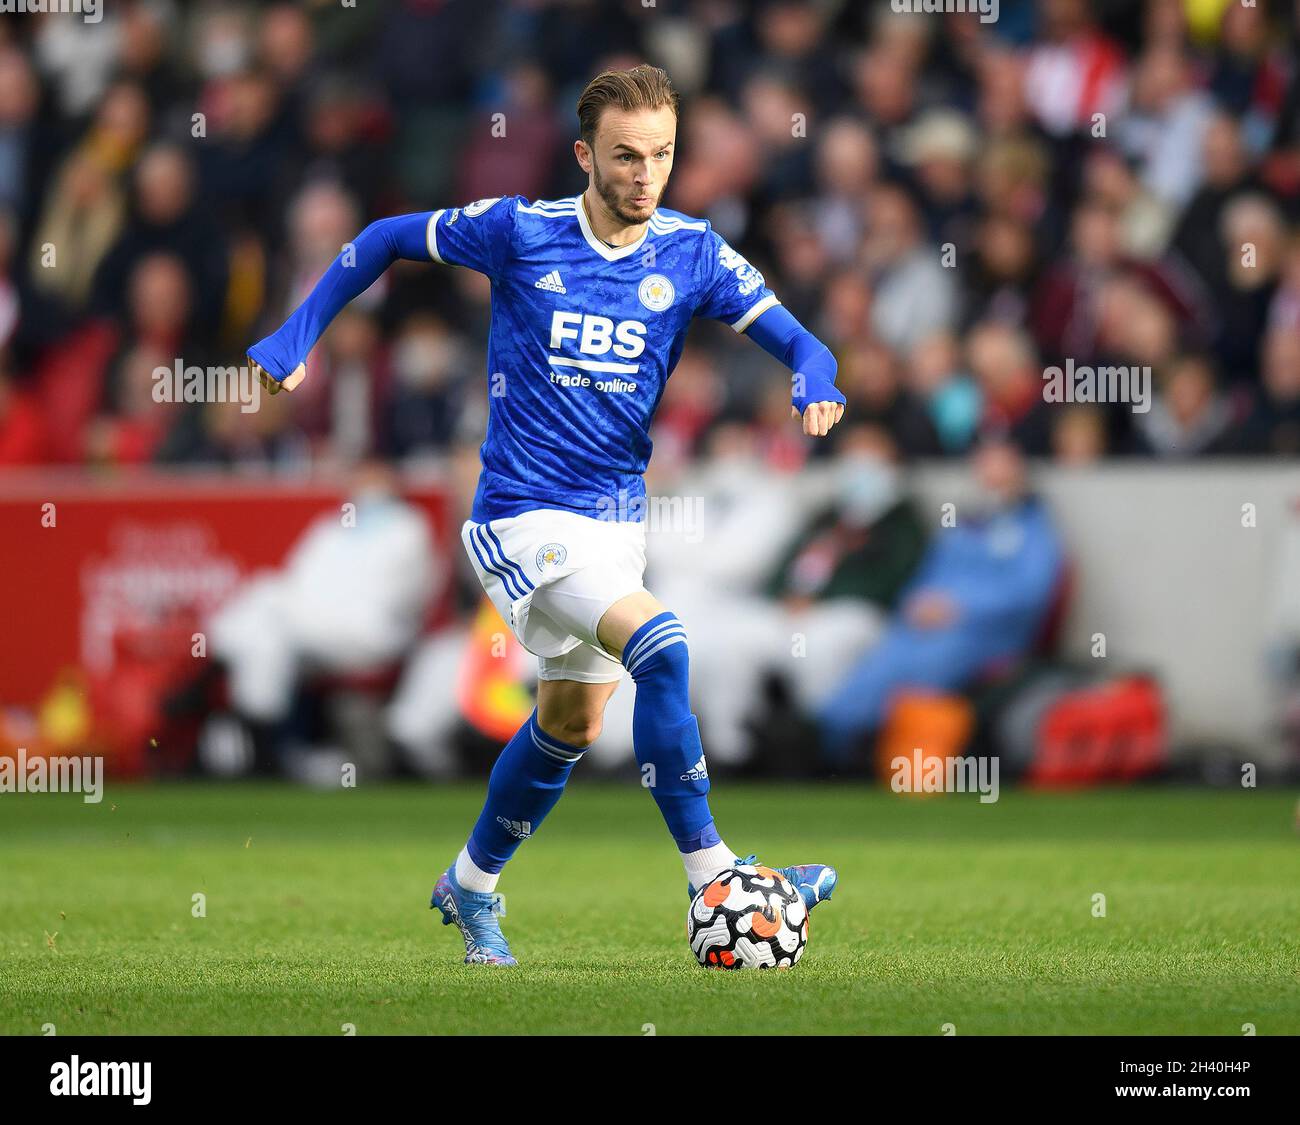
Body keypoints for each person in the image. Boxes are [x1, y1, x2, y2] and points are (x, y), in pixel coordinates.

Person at [246, 65, 845, 967]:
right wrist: (298, 333)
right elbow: (379, 240)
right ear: (584, 156)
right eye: (627, 156)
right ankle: (717, 877)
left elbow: (801, 337)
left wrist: (815, 373)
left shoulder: (692, 252)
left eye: (663, 155)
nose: (647, 175)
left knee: (568, 725)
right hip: (522, 519)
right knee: (666, 645)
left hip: (613, 527)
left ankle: (470, 886)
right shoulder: (520, 232)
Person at [815, 438, 1065, 768]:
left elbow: (1030, 593)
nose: (992, 474)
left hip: (985, 637)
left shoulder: (1035, 531)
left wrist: (960, 608)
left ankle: (877, 751)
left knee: (919, 674)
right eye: (985, 464)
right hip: (923, 629)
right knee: (876, 665)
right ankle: (833, 741)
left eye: (1001, 464)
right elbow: (924, 579)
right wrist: (917, 604)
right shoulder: (962, 528)